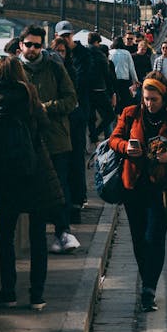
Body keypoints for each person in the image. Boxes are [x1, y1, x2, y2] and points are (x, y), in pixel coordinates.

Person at [0, 55, 63, 311]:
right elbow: (44, 126)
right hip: (35, 171)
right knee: (38, 236)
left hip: (7, 175)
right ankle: (37, 296)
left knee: (6, 235)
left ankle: (8, 292)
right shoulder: (30, 94)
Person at [109, 74, 167, 312]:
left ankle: (149, 289)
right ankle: (148, 280)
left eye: (153, 99)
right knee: (138, 238)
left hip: (162, 188)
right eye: (145, 98)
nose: (148, 103)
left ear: (164, 98)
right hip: (133, 186)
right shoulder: (130, 113)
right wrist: (126, 147)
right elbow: (113, 139)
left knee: (154, 237)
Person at [18, 25, 80, 254]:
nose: (32, 49)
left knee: (58, 187)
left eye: (36, 45)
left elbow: (71, 99)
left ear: (42, 46)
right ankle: (43, 236)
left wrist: (45, 108)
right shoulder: (14, 70)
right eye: (28, 45)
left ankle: (62, 232)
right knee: (32, 189)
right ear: (20, 46)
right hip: (27, 141)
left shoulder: (54, 67)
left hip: (55, 138)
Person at [55, 21, 108, 217]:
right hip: (61, 116)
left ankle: (77, 200)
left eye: (68, 36)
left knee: (76, 156)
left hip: (78, 113)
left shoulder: (84, 55)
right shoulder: (54, 56)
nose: (65, 40)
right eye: (62, 36)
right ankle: (64, 202)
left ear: (72, 35)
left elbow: (82, 82)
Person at [110, 36, 140, 111]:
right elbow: (131, 68)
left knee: (115, 98)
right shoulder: (127, 53)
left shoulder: (110, 53)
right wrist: (135, 80)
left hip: (114, 79)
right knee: (125, 99)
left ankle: (117, 115)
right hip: (124, 79)